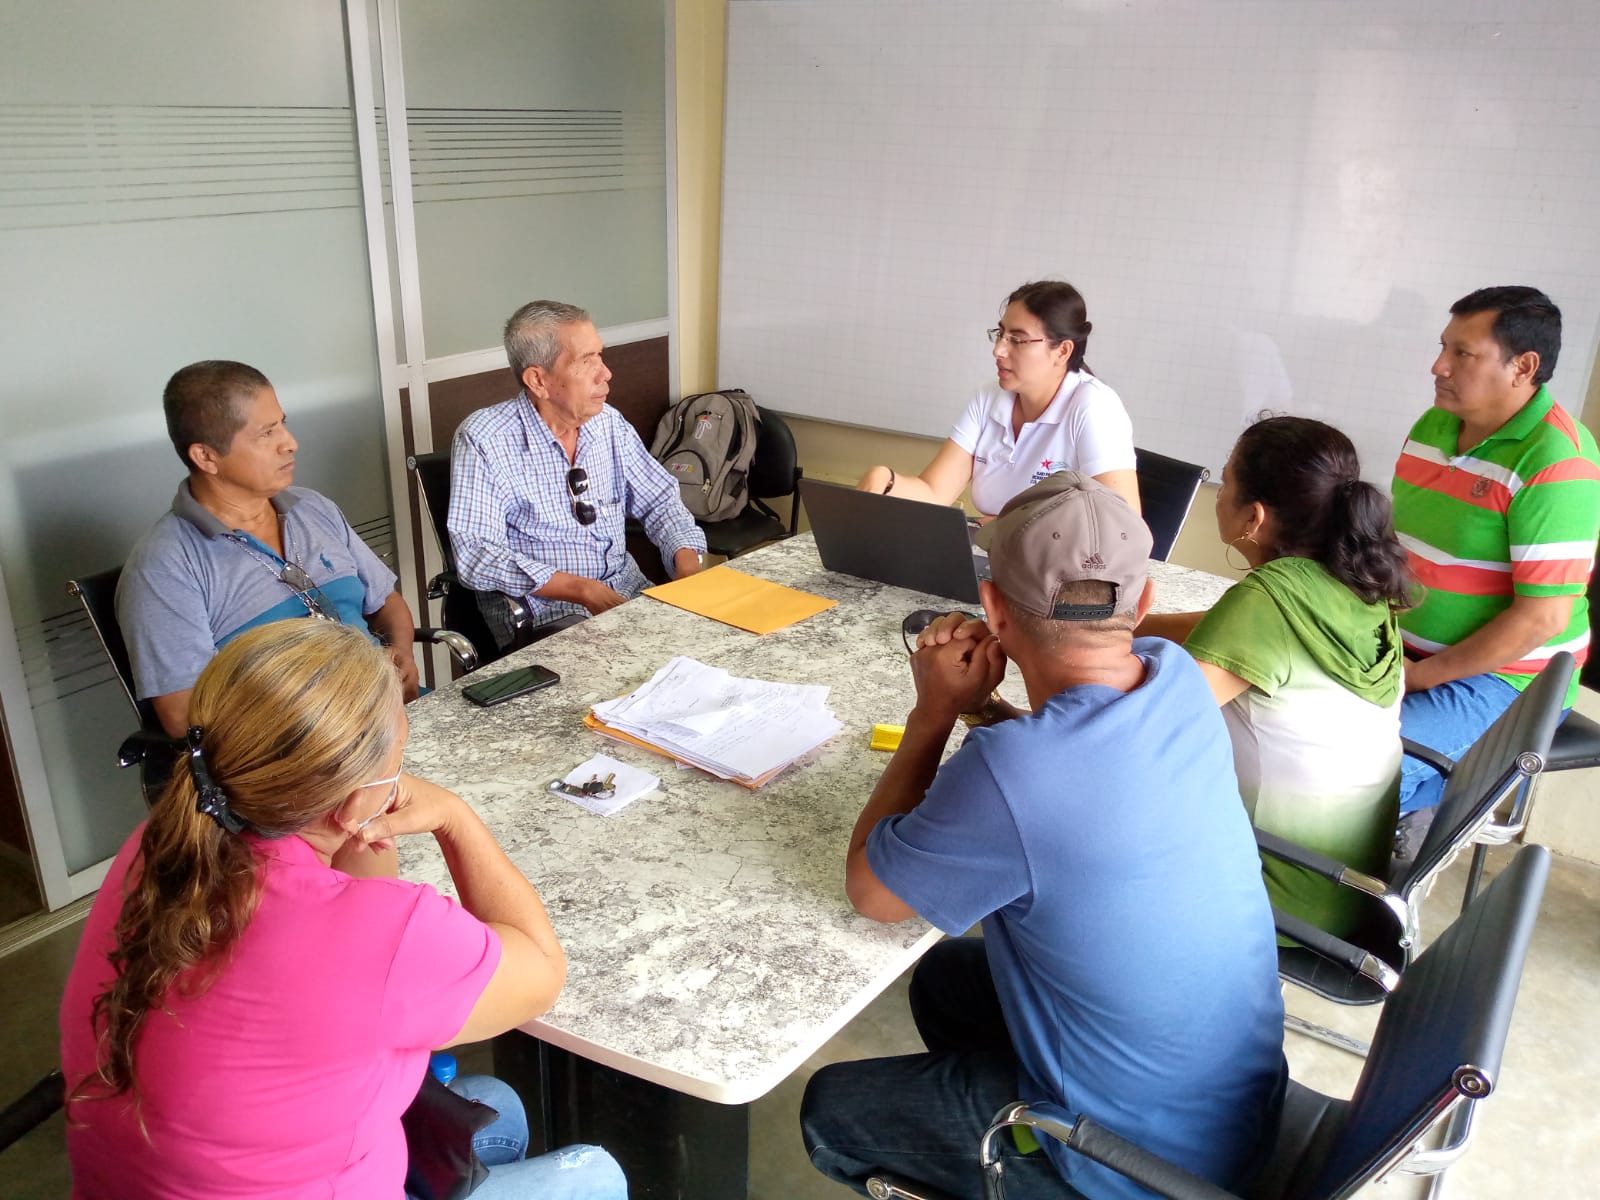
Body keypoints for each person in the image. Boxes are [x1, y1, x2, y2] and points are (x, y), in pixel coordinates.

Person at [801, 475, 1285, 1200]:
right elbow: (1073, 768)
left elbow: (872, 892)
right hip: (1231, 1112)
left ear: (992, 608)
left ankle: (1038, 1163)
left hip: (1136, 1167)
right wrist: (985, 708)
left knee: (831, 1108)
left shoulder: (1011, 772)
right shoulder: (1177, 676)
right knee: (943, 981)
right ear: (1142, 604)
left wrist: (933, 714)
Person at [59, 620, 628, 1199]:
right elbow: (541, 973)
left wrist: (363, 806)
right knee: (597, 1172)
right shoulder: (382, 934)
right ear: (356, 795)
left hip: (134, 1183)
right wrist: (455, 818)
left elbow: (358, 912)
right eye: (398, 760)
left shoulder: (162, 843)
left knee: (498, 1103)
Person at [1138, 417, 1412, 934]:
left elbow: (1136, 732)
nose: (1219, 494)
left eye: (1225, 480)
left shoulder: (1266, 601)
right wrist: (1114, 626)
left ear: (1254, 516)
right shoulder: (1355, 582)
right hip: (1344, 889)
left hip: (1273, 902)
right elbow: (1217, 629)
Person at [1391, 286, 1600, 860]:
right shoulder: (1436, 423)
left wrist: (1421, 678)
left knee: (1367, 771)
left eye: (1462, 353)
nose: (1439, 366)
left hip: (1508, 677)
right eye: (1444, 347)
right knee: (1290, 729)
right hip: (1407, 649)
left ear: (1523, 367)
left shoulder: (1557, 459)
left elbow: (1542, 619)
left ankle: (1398, 855)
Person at [118, 360, 423, 737]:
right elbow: (184, 716)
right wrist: (326, 711)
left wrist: (402, 654)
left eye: (282, 423)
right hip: (304, 747)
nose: (290, 443)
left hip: (392, 715)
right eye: (266, 433)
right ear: (206, 457)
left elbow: (385, 602)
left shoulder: (312, 508)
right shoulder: (164, 565)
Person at [448, 300, 706, 648]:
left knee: (716, 645)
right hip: (547, 614)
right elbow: (476, 555)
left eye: (600, 355)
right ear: (538, 380)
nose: (605, 373)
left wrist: (688, 567)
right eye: (587, 361)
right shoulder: (484, 439)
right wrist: (581, 589)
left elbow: (660, 501)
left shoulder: (607, 423)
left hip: (626, 592)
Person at [856, 280, 1140, 517]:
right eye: (1000, 334)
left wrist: (1004, 527)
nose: (999, 350)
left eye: (1017, 339)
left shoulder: (1095, 407)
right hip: (996, 555)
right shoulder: (989, 397)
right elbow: (934, 492)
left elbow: (1119, 526)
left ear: (1062, 351)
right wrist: (886, 480)